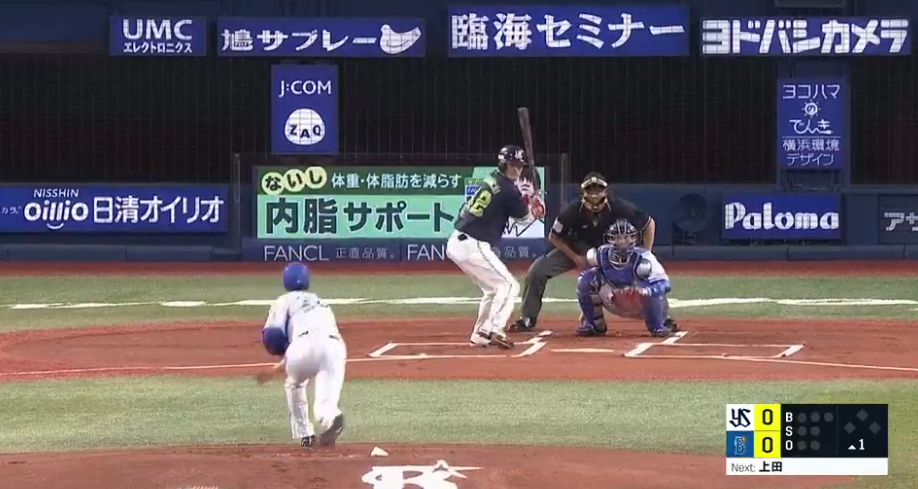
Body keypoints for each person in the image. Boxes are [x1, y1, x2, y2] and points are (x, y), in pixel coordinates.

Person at [511, 172, 677, 332]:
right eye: (590, 190)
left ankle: (664, 318)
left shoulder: (619, 207)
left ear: (606, 191)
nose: (594, 194)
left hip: (612, 252)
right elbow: (554, 236)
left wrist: (645, 254)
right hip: (577, 249)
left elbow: (649, 224)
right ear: (582, 192)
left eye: (598, 189)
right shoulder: (572, 210)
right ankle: (527, 317)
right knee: (537, 270)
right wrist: (576, 257)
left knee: (645, 273)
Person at [446, 144, 545, 350]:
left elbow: (508, 202)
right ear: (506, 164)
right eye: (516, 165)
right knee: (508, 286)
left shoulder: (494, 178)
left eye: (520, 165)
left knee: (492, 290)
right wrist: (536, 209)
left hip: (460, 241)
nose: (519, 169)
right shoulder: (508, 189)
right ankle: (494, 330)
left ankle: (480, 334)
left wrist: (528, 201)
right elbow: (524, 218)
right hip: (473, 243)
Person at [256, 262, 347, 449]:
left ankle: (306, 434)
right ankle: (331, 418)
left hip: (302, 345)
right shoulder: (321, 302)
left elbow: (273, 335)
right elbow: (319, 341)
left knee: (294, 384)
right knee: (325, 403)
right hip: (335, 347)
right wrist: (281, 365)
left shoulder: (284, 301)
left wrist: (280, 355)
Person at [575, 219, 675, 337]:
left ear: (633, 238)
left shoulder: (645, 257)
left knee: (651, 288)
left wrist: (645, 291)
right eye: (617, 238)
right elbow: (589, 281)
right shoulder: (601, 254)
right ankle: (594, 324)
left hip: (639, 302)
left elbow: (665, 284)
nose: (622, 241)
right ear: (611, 239)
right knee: (585, 279)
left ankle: (657, 325)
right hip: (612, 298)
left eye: (626, 237)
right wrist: (586, 309)